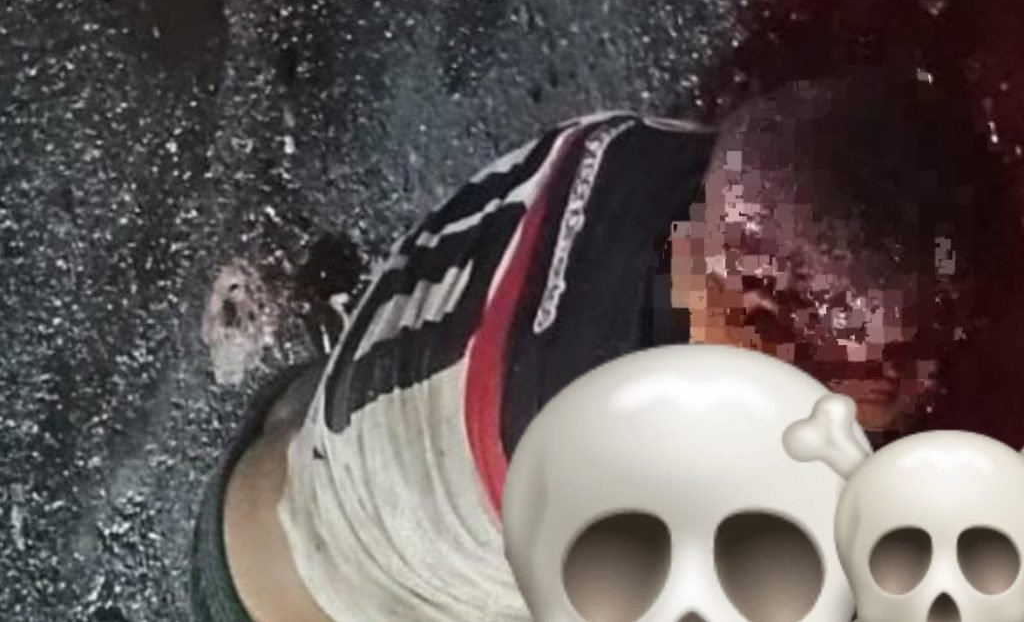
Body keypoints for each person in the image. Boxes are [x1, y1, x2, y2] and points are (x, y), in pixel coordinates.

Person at [190, 66, 996, 621]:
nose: (925, 380)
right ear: (761, 347)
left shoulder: (662, 153)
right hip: (296, 596)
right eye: (901, 369)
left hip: (323, 422)